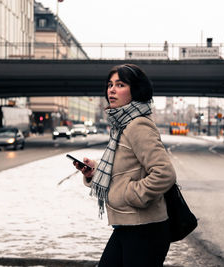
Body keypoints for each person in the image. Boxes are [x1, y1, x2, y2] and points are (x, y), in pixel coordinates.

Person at [73, 64, 176, 267]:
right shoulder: (122, 124)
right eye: (110, 84)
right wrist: (94, 170)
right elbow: (124, 167)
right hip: (126, 226)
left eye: (120, 84)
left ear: (135, 90)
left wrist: (130, 194)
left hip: (145, 229)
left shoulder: (138, 125)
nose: (111, 89)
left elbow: (165, 173)